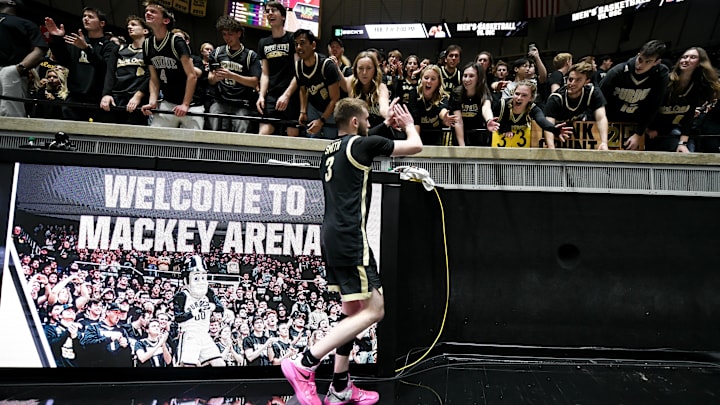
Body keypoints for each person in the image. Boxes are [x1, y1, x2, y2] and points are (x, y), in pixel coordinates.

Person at [280, 97, 423, 405]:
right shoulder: (360, 145)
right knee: (376, 309)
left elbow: (367, 143)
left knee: (354, 311)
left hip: (331, 235)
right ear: (356, 123)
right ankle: (305, 364)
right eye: (367, 121)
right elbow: (416, 147)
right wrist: (409, 126)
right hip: (350, 239)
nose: (372, 125)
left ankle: (340, 385)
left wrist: (386, 125)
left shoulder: (330, 149)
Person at [44, 7, 118, 121]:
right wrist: (56, 38)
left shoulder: (109, 46)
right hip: (75, 97)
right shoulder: (77, 42)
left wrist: (87, 49)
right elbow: (62, 59)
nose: (86, 19)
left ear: (102, 23)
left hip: (98, 99)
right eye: (84, 16)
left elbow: (105, 68)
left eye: (90, 17)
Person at [140, 1, 202, 129]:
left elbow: (192, 76)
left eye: (153, 11)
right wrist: (152, 102)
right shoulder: (147, 44)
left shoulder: (177, 42)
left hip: (192, 104)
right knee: (155, 141)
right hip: (168, 101)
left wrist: (185, 104)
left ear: (166, 20)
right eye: (147, 11)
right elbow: (154, 79)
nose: (148, 13)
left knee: (192, 146)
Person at [645, 47, 720, 152]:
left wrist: (682, 143)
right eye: (684, 57)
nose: (686, 60)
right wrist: (645, 129)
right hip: (646, 130)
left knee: (688, 148)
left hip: (667, 130)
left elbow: (688, 117)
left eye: (692, 57)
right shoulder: (666, 81)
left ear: (700, 63)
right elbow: (647, 108)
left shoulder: (696, 87)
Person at [600, 39, 669, 150]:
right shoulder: (617, 71)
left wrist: (639, 133)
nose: (640, 65)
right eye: (640, 59)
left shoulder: (661, 74)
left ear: (656, 62)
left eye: (648, 62)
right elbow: (598, 100)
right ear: (638, 55)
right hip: (609, 120)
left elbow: (654, 106)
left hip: (634, 124)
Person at [207, 15, 261, 133]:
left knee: (241, 130)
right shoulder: (217, 53)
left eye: (230, 34)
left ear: (239, 34)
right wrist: (215, 78)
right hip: (221, 101)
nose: (227, 37)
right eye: (224, 34)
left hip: (242, 103)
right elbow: (210, 79)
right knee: (212, 123)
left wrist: (232, 75)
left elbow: (254, 82)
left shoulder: (250, 56)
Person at [256, 1, 300, 137]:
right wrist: (261, 95)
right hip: (272, 95)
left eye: (274, 11)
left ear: (283, 17)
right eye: (267, 11)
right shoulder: (263, 43)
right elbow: (265, 73)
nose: (270, 14)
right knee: (263, 133)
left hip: (291, 94)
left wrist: (287, 95)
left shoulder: (293, 39)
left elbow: (299, 71)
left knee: (292, 134)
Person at [173, 255, 226, 367]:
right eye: (196, 278)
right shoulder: (181, 296)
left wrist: (213, 306)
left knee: (219, 363)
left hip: (204, 335)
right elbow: (178, 318)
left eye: (203, 277)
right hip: (189, 336)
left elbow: (220, 307)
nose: (201, 282)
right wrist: (192, 313)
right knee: (188, 366)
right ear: (186, 280)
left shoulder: (208, 293)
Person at [543, 62, 609, 150]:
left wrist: (604, 142)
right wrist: (551, 147)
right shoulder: (556, 98)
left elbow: (601, 118)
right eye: (570, 79)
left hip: (576, 133)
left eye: (578, 80)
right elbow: (548, 123)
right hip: (557, 133)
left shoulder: (593, 93)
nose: (572, 83)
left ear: (587, 82)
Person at [99, 15, 150, 125]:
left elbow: (151, 77)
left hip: (137, 99)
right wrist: (106, 94)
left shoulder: (150, 51)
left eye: (134, 25)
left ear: (145, 30)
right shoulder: (118, 49)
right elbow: (110, 73)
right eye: (128, 26)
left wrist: (138, 96)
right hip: (116, 98)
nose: (129, 27)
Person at [0, 0, 47, 117]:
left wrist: (18, 69)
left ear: (11, 2)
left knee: (9, 116)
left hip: (8, 72)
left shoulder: (26, 24)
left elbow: (39, 50)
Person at [491, 80, 572, 148]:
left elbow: (542, 122)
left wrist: (555, 130)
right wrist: (505, 128)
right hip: (498, 144)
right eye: (517, 94)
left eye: (524, 95)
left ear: (531, 98)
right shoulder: (502, 104)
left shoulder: (533, 109)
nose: (519, 98)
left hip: (521, 147)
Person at [293, 29, 341, 139]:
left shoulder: (327, 66)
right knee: (311, 140)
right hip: (314, 107)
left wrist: (322, 120)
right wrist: (303, 111)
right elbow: (303, 89)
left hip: (331, 108)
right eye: (296, 44)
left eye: (302, 43)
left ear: (313, 45)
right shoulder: (298, 67)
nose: (299, 47)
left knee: (330, 142)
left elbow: (335, 98)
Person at [408, 64, 456, 145]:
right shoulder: (414, 93)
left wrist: (445, 117)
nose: (429, 81)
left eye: (433, 79)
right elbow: (416, 119)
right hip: (417, 134)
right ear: (421, 79)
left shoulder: (443, 96)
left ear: (438, 82)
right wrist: (415, 144)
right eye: (426, 78)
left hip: (436, 137)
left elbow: (442, 109)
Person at [450, 63, 495, 147]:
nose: (466, 79)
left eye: (471, 76)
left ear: (479, 78)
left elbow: (486, 108)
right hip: (460, 134)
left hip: (479, 136)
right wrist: (462, 146)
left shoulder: (484, 91)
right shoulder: (456, 93)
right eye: (465, 76)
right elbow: (458, 121)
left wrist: (489, 120)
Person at [340, 51, 390, 128]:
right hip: (359, 130)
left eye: (369, 68)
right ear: (355, 69)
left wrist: (389, 115)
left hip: (378, 130)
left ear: (375, 70)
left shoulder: (381, 87)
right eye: (360, 68)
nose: (364, 72)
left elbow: (384, 108)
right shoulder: (351, 82)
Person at [80, 302, 134, 367]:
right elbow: (87, 346)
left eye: (120, 314)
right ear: (107, 312)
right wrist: (109, 339)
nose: (118, 316)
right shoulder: (94, 327)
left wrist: (126, 346)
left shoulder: (122, 330)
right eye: (116, 313)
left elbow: (128, 356)